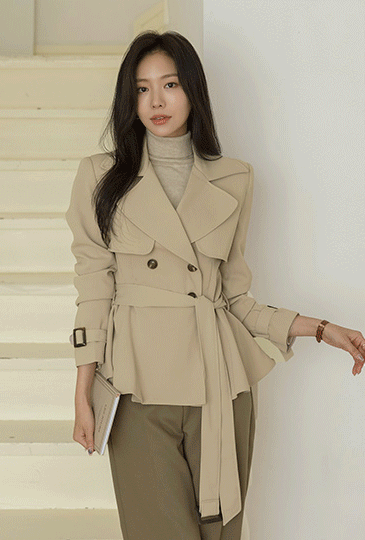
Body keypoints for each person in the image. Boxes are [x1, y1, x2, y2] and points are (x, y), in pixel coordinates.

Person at [65, 30, 365, 540]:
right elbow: (94, 288)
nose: (156, 101)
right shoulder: (100, 177)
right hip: (137, 387)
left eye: (170, 85)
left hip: (221, 388)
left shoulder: (235, 178)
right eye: (142, 89)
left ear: (193, 91)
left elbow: (233, 298)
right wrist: (83, 393)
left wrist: (318, 328)